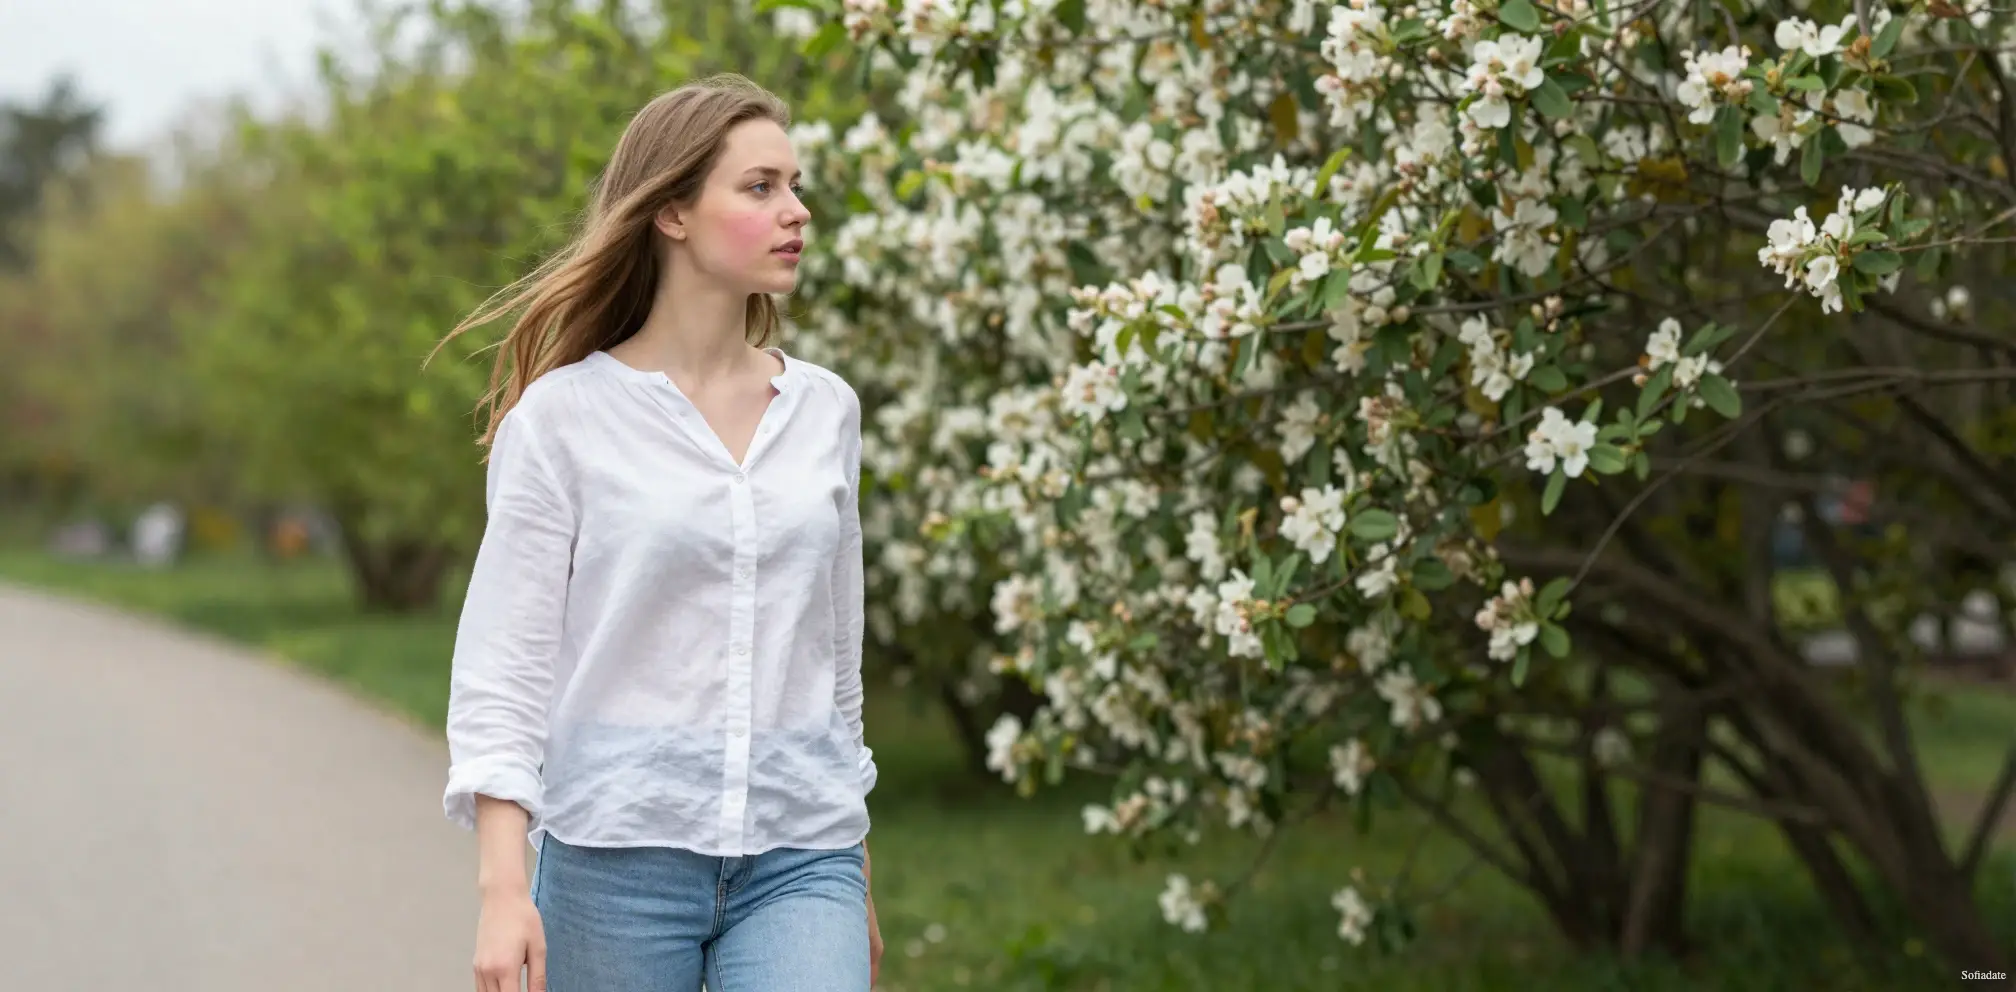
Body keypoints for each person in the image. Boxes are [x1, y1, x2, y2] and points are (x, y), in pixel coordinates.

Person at [428, 74, 882, 992]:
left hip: (802, 859)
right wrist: (504, 890)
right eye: (760, 188)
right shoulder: (562, 422)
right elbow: (503, 673)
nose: (796, 211)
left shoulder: (825, 410)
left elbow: (835, 662)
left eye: (795, 186)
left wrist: (855, 870)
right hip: (613, 862)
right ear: (672, 212)